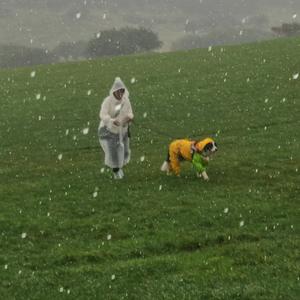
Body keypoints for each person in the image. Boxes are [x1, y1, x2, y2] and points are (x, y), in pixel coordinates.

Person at [98, 77, 134, 179]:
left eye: (122, 91)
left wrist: (129, 118)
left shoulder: (126, 101)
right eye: (118, 91)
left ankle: (119, 167)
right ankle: (116, 171)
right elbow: (102, 114)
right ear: (114, 91)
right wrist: (112, 121)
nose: (120, 94)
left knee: (124, 151)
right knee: (112, 151)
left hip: (122, 131)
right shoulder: (107, 101)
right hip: (108, 131)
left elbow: (130, 113)